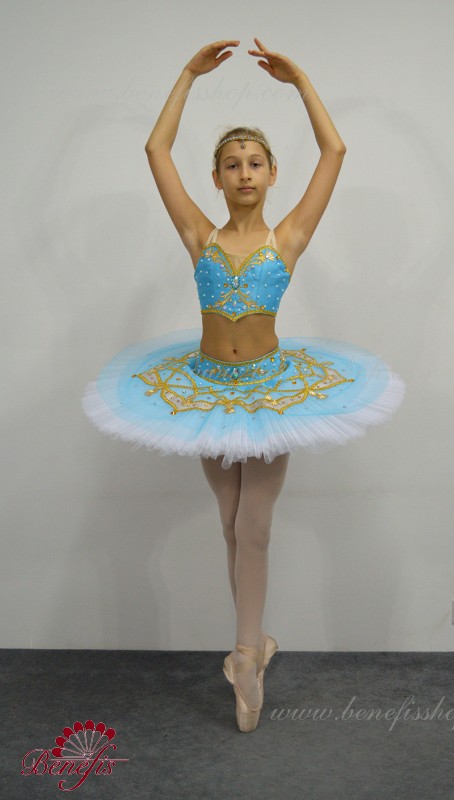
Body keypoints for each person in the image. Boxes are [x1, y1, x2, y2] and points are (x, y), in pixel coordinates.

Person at [82, 39, 405, 733]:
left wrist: (302, 81)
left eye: (255, 161)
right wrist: (187, 76)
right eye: (232, 164)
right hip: (203, 391)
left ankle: (246, 659)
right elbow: (156, 151)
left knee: (254, 526)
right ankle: (250, 646)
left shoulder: (287, 239)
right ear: (217, 178)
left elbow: (336, 152)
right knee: (230, 523)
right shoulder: (199, 235)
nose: (245, 171)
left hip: (268, 394)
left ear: (272, 173)